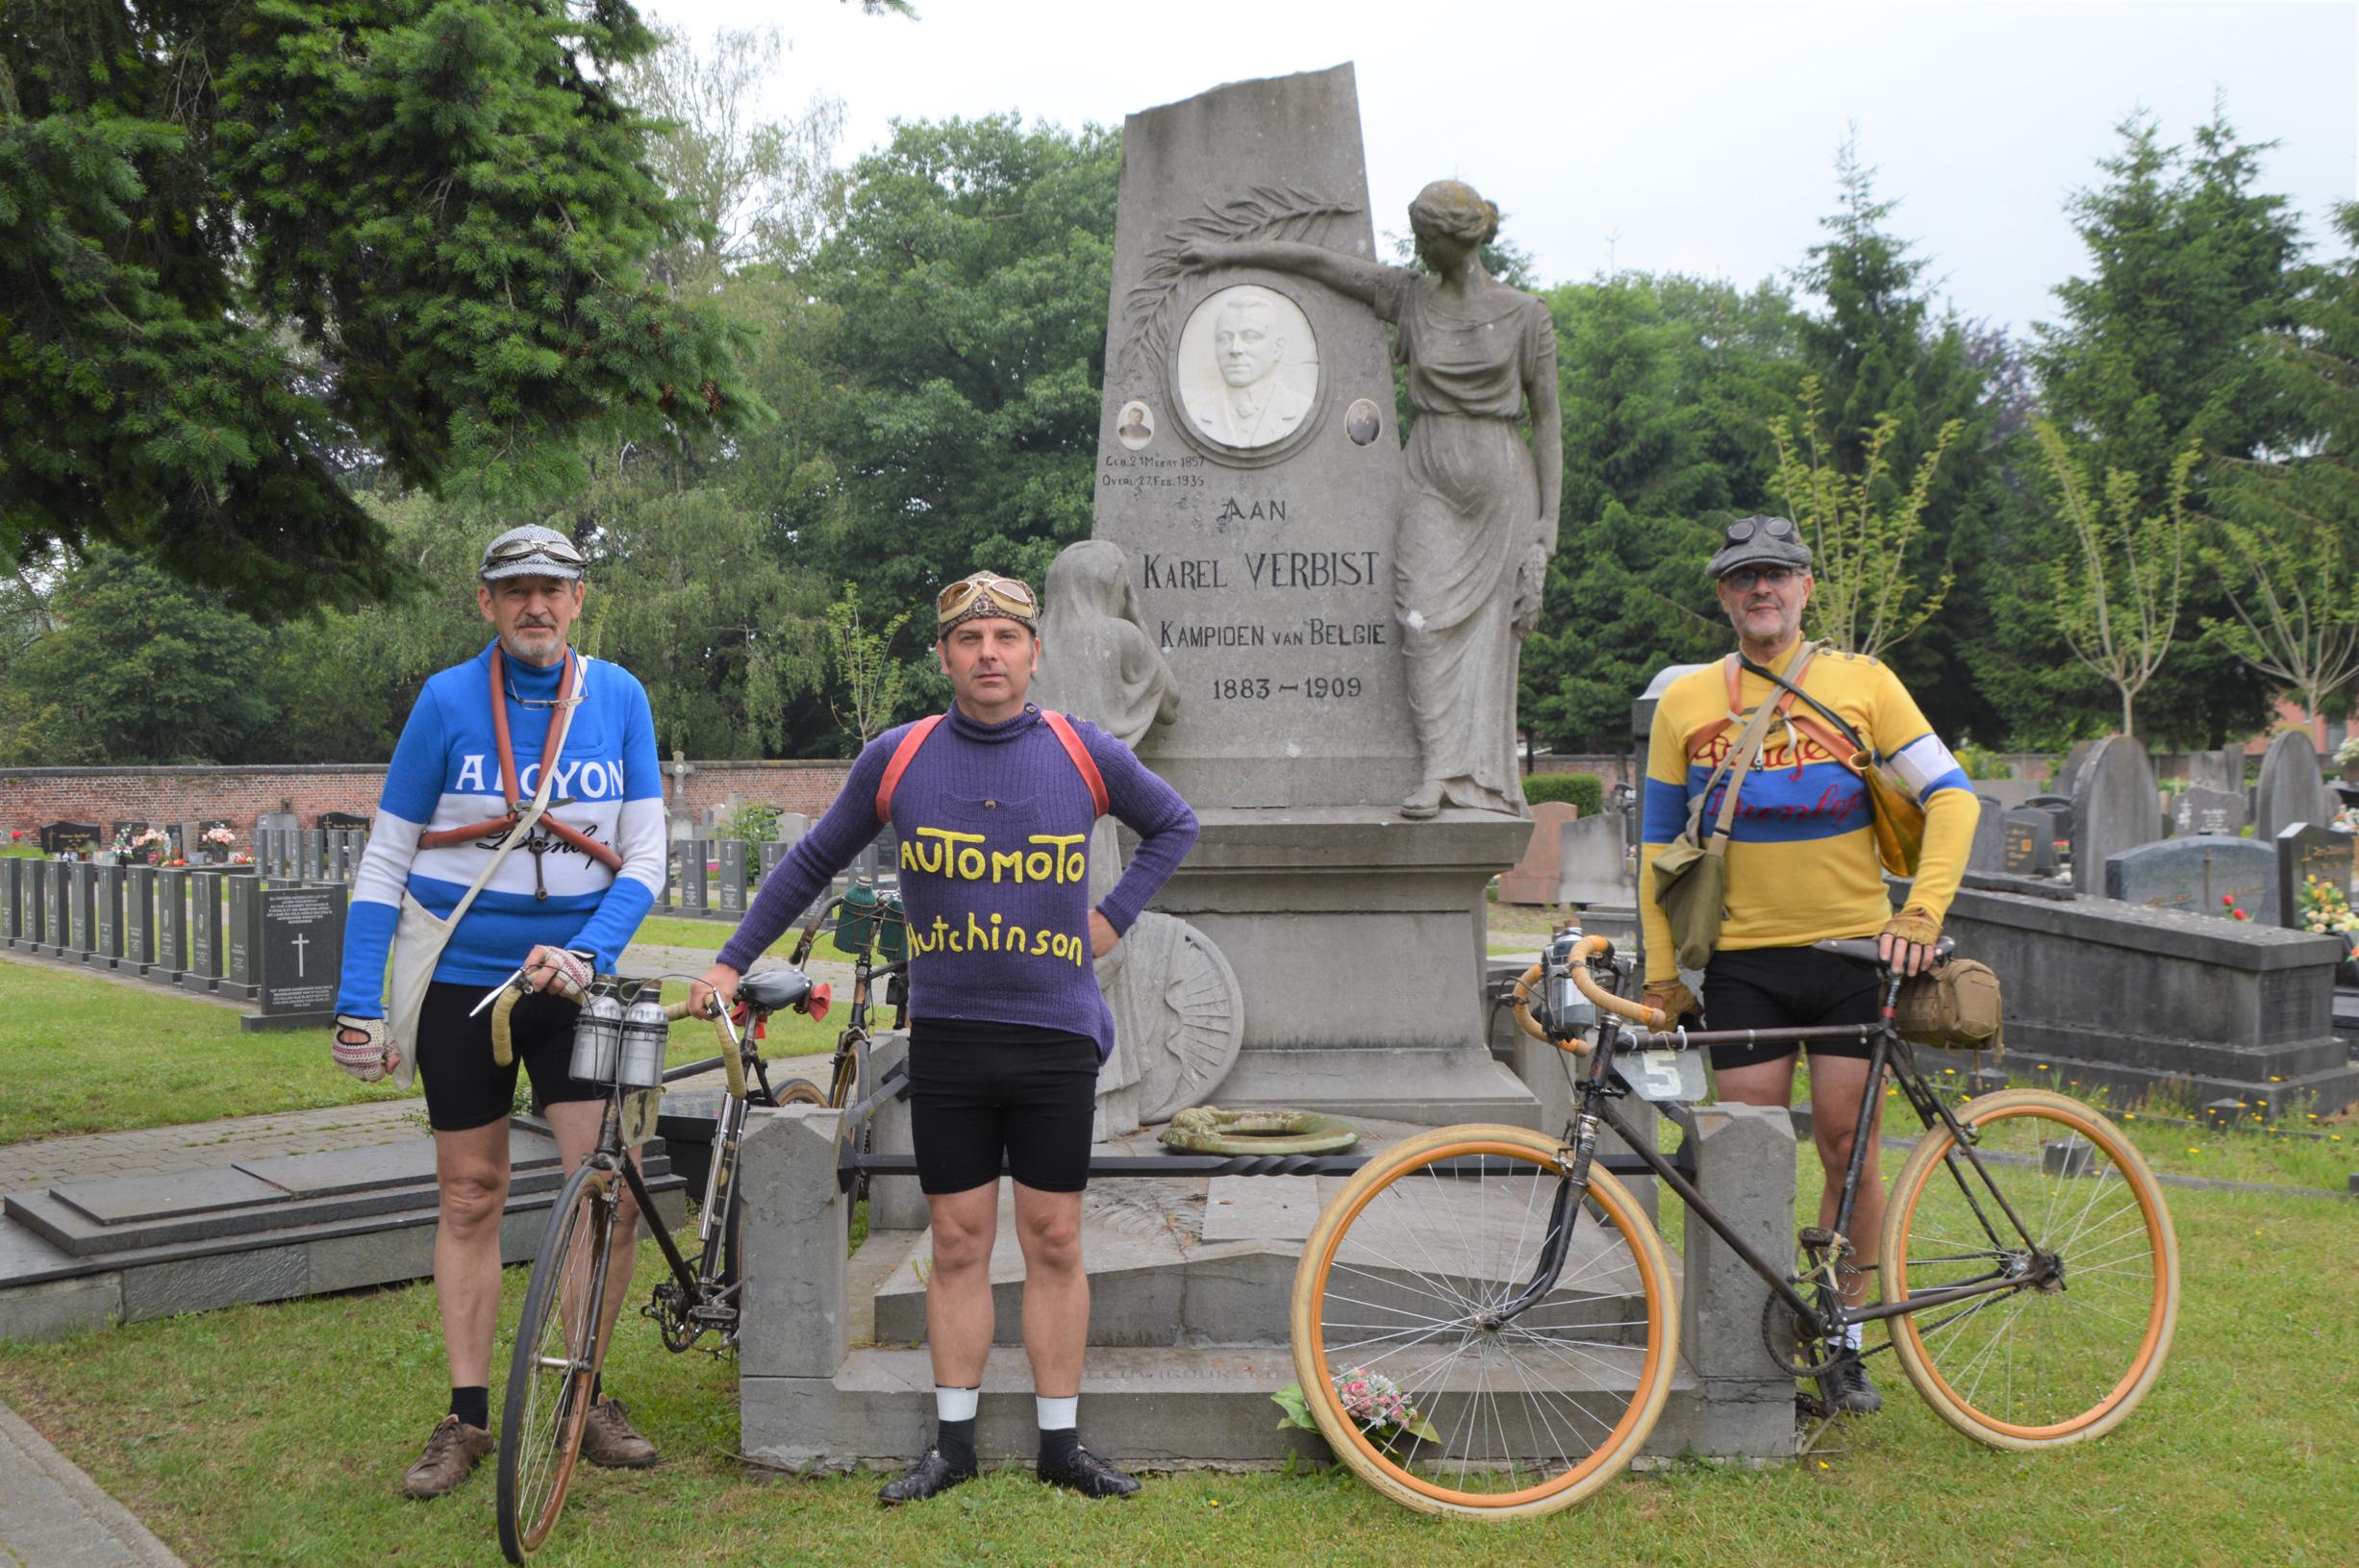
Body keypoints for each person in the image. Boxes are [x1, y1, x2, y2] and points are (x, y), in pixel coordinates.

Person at [691, 571, 1198, 1504]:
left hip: (1052, 1036)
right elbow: (810, 859)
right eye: (969, 640)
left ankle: (1060, 1442)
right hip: (952, 1037)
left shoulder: (1079, 750)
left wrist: (1114, 916)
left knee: (1053, 1236)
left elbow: (1173, 821)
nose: (988, 654)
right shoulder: (901, 755)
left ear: (1033, 652)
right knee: (958, 1240)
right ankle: (953, 1441)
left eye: (1005, 637)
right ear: (944, 656)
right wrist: (731, 961)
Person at [329, 525, 666, 1498]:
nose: (535, 605)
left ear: (579, 598)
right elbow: (386, 860)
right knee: (469, 1191)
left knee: (606, 1191)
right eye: (515, 589)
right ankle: (468, 1415)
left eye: (552, 589)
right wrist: (361, 1002)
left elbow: (644, 855)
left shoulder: (621, 696)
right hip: (460, 982)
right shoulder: (444, 700)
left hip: (575, 981)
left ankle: (583, 1395)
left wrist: (587, 952)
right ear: (485, 602)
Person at [1636, 514, 1976, 1414]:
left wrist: (1921, 910)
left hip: (1850, 956)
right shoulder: (1684, 703)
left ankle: (1843, 1335)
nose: (1761, 589)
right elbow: (1656, 849)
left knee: (1844, 1149)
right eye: (1744, 576)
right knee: (1744, 1156)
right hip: (1743, 963)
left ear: (1804, 587)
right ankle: (1753, 1329)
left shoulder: (1864, 684)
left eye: (1777, 574)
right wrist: (1664, 975)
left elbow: (1952, 797)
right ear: (1722, 594)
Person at [1180, 179, 1561, 819]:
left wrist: (1547, 527)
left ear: (1455, 239)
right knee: (1421, 618)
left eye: (1424, 238)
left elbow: (1546, 420)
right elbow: (1323, 266)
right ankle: (1438, 769)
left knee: (1488, 636)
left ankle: (1477, 778)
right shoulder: (1409, 298)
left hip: (1500, 481)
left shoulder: (1526, 315)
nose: (1415, 248)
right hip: (1429, 470)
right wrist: (1227, 256)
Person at [1183, 287, 1314, 447]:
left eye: (1250, 337)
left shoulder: (1304, 410)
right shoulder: (1194, 412)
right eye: (1224, 339)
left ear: (1277, 348)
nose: (1235, 349)